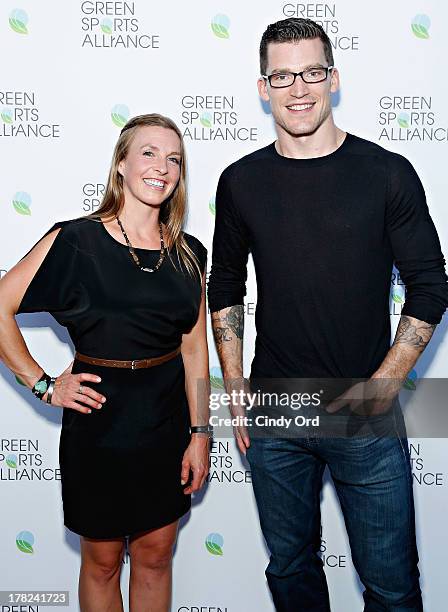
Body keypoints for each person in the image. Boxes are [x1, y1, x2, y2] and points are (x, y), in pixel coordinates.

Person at [208, 18, 448, 612]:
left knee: (392, 590)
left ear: (333, 78)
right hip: (275, 410)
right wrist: (236, 390)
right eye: (282, 75)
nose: (298, 88)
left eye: (312, 72)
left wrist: (383, 387)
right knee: (291, 573)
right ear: (263, 87)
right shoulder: (239, 182)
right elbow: (225, 289)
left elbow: (430, 286)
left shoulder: (387, 172)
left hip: (362, 414)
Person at [0, 113, 211, 611]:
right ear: (120, 164)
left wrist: (201, 434)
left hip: (164, 423)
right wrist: (43, 385)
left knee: (157, 556)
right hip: (99, 426)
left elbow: (195, 348)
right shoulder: (75, 240)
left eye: (174, 159)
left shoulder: (189, 254)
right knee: (102, 561)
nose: (162, 167)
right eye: (148, 153)